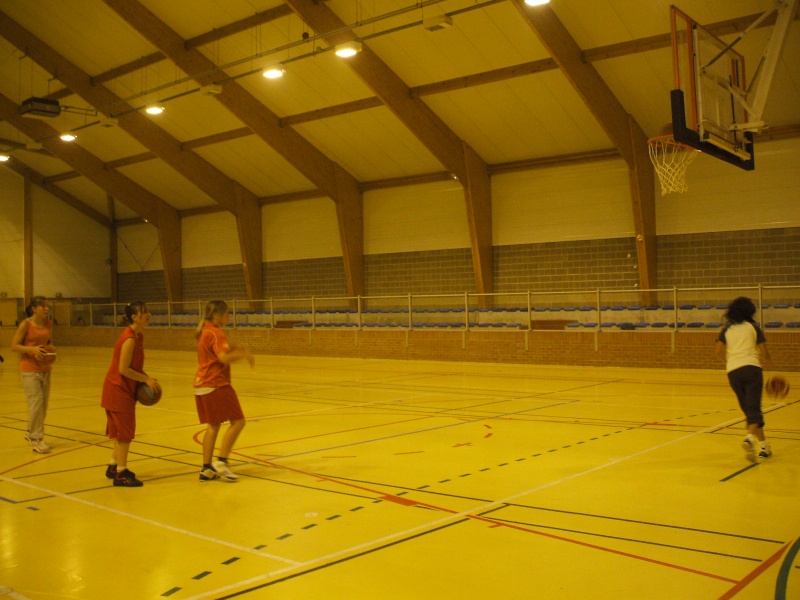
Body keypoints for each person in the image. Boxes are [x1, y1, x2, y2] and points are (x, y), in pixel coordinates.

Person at [101, 302, 160, 487]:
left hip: (124, 390)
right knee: (125, 434)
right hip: (117, 390)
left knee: (120, 432)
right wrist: (146, 379)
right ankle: (121, 473)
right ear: (134, 317)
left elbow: (135, 367)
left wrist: (147, 378)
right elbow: (124, 369)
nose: (148, 314)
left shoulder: (138, 336)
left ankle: (113, 466)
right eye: (144, 312)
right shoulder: (129, 338)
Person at [193, 300, 253, 482]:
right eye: (227, 313)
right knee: (238, 422)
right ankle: (222, 461)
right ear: (216, 315)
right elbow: (223, 359)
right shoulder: (217, 332)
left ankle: (206, 469)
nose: (229, 316)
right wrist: (244, 355)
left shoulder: (206, 331)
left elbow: (216, 352)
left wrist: (234, 346)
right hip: (216, 384)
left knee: (213, 426)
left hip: (202, 384)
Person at [715, 296, 773, 462]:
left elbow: (718, 351)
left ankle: (764, 447)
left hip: (733, 372)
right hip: (752, 369)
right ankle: (749, 438)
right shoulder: (753, 327)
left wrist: (729, 363)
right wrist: (769, 359)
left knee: (750, 410)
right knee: (754, 408)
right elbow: (764, 352)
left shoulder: (727, 329)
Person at [11, 296, 55, 453]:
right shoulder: (26, 325)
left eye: (47, 306)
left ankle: (31, 430)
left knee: (43, 405)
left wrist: (50, 350)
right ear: (34, 308)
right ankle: (36, 438)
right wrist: (32, 349)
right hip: (29, 369)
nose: (46, 309)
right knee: (36, 403)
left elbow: (48, 341)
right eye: (43, 306)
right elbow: (14, 346)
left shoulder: (48, 324)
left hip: (45, 368)